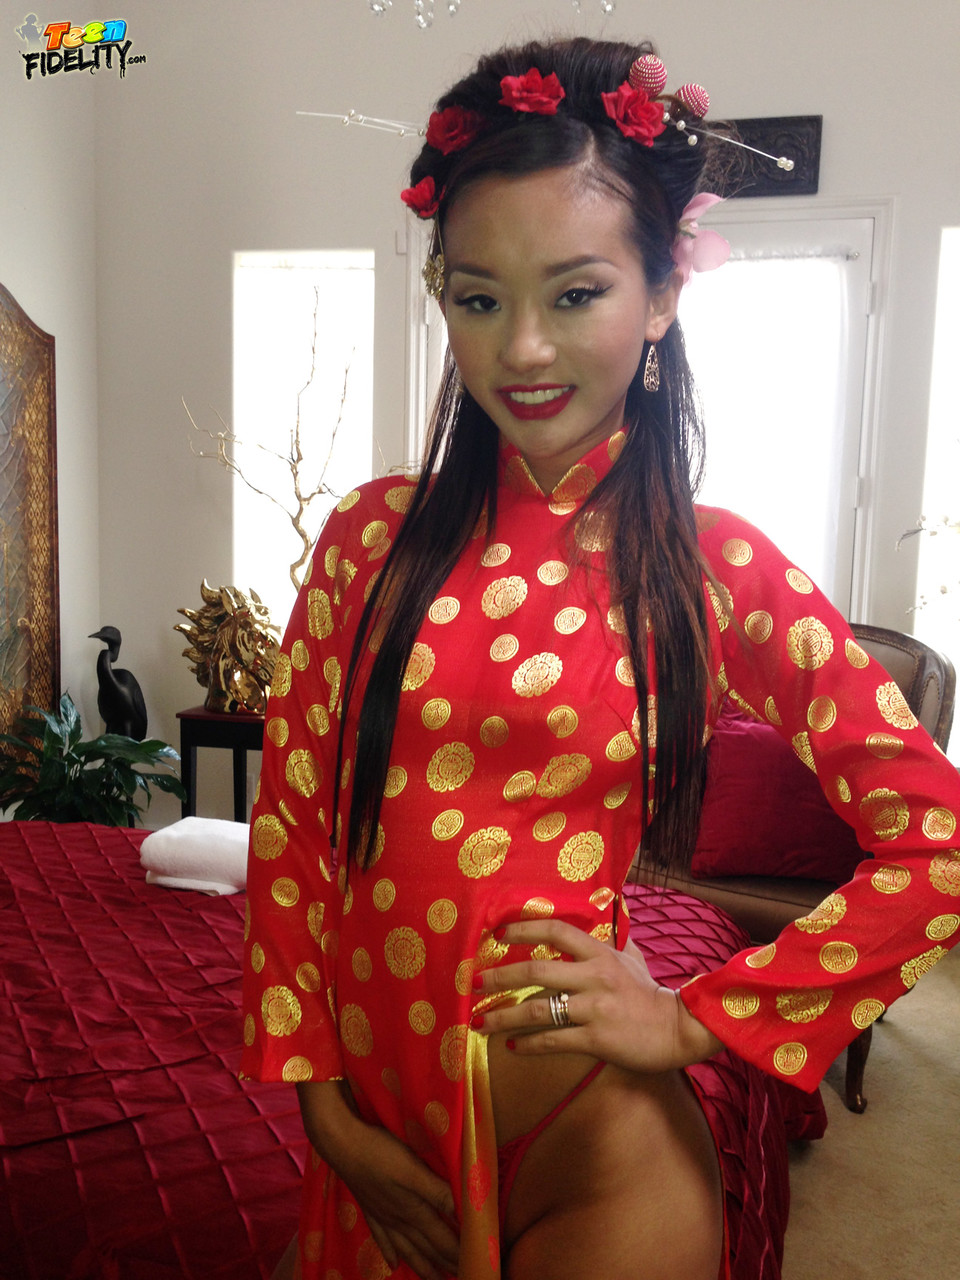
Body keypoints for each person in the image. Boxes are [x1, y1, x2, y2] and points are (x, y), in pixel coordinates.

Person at [241, 36, 960, 1280]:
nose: (522, 349)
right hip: (377, 1140)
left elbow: (934, 842)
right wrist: (325, 1114)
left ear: (663, 292)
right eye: (480, 298)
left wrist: (694, 1016)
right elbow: (296, 827)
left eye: (575, 294)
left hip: (598, 1156)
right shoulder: (369, 540)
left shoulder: (711, 565)